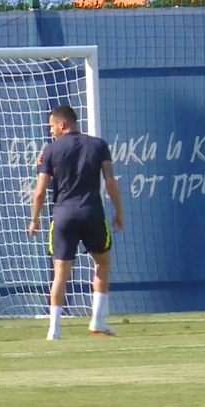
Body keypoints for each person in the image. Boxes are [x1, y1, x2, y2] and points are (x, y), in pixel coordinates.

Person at [28, 105, 124, 340]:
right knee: (101, 263)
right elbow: (110, 182)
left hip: (63, 216)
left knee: (60, 271)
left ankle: (54, 329)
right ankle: (97, 320)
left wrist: (34, 219)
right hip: (92, 213)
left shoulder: (50, 150)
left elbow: (39, 192)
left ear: (62, 124)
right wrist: (119, 211)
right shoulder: (99, 145)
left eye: (51, 126)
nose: (50, 131)